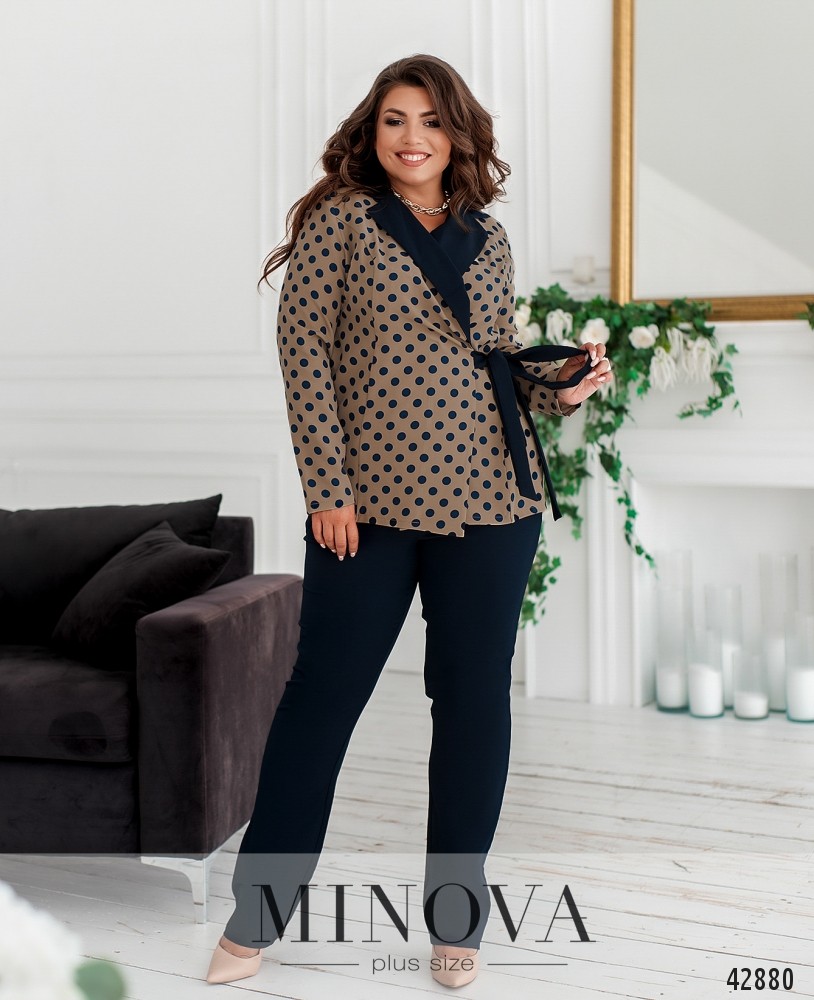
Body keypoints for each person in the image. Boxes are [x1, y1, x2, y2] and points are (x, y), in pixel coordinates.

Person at [205, 53, 612, 988]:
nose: (412, 137)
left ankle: (455, 924)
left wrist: (563, 387)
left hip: (493, 501)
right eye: (394, 119)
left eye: (430, 120)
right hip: (369, 509)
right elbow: (303, 352)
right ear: (372, 130)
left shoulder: (487, 237)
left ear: (458, 134)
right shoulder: (342, 221)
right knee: (322, 700)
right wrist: (327, 490)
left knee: (472, 706)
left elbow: (496, 363)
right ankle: (255, 919)